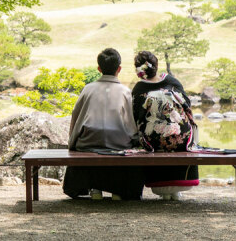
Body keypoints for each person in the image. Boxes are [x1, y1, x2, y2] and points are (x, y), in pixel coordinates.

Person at [62, 48, 145, 201]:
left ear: (99, 69)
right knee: (125, 146)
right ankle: (118, 190)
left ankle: (95, 188)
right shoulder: (125, 91)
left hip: (88, 142)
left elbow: (76, 117)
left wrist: (72, 142)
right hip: (118, 144)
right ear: (119, 69)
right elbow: (131, 125)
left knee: (93, 145)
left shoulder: (88, 89)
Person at [131, 50, 199, 200]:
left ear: (139, 70)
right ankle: (177, 189)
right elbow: (187, 105)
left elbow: (136, 117)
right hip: (182, 140)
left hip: (155, 143)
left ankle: (163, 189)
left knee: (148, 134)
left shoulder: (139, 89)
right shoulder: (172, 82)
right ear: (156, 65)